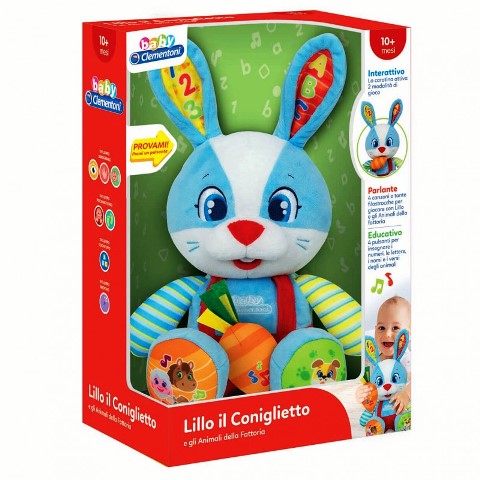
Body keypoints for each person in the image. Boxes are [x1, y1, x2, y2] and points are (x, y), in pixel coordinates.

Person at [356, 296, 411, 413]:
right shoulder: (370, 359)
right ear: (375, 330)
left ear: (408, 333)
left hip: (401, 411)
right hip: (380, 411)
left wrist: (406, 394)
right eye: (381, 328)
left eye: (395, 328)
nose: (387, 334)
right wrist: (361, 394)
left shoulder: (406, 358)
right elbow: (368, 385)